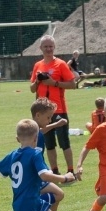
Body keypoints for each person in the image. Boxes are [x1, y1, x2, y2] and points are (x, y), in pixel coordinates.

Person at [30, 35, 77, 175]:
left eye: (51, 46)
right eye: (46, 46)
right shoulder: (37, 65)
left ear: (54, 47)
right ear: (41, 48)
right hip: (42, 112)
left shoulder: (61, 64)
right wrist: (38, 81)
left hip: (59, 109)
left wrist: (54, 83)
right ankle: (55, 171)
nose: (48, 49)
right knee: (48, 143)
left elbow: (73, 84)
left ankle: (70, 171)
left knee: (64, 142)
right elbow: (32, 89)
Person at [31, 98, 69, 211]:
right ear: (38, 115)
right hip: (36, 172)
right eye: (48, 117)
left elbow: (43, 130)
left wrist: (55, 124)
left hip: (41, 168)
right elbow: (40, 131)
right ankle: (36, 208)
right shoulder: (32, 130)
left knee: (57, 194)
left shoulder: (35, 128)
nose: (49, 120)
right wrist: (57, 124)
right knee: (58, 194)